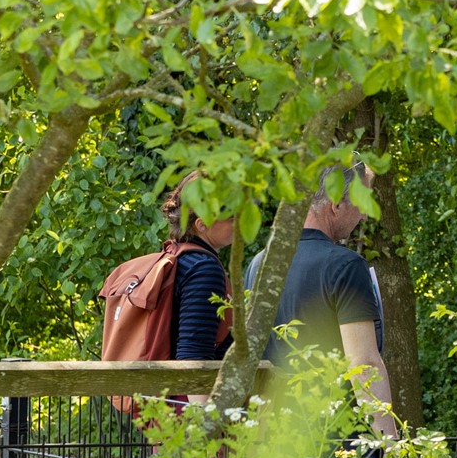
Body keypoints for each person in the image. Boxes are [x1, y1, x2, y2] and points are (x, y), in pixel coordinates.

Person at [254, 161, 399, 440]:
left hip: (273, 443)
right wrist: (390, 448)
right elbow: (363, 363)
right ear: (336, 204)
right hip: (335, 443)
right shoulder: (345, 266)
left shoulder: (260, 264)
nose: (365, 216)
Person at [164, 171, 238, 364]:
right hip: (188, 393)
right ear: (201, 224)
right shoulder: (204, 269)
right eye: (231, 216)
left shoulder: (177, 257)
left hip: (157, 392)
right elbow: (194, 359)